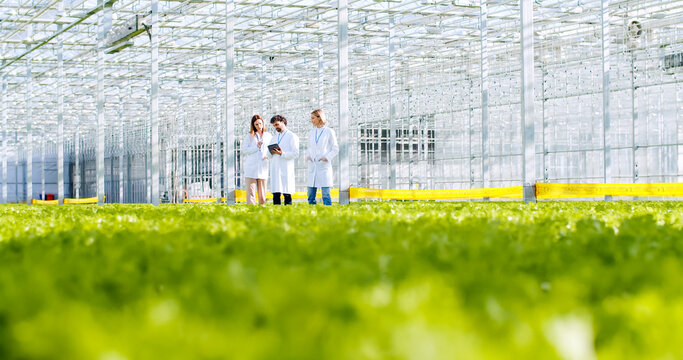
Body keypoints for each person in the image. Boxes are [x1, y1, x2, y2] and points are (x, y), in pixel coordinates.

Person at [306, 109, 339, 205]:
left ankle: (327, 214)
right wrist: (309, 156)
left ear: (319, 117)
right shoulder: (312, 132)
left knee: (326, 194)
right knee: (310, 195)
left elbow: (335, 148)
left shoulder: (329, 131)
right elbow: (310, 147)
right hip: (313, 165)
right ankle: (312, 215)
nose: (311, 120)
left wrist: (327, 157)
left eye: (313, 118)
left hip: (323, 166)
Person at [267, 115, 299, 205]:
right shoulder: (274, 137)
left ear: (283, 122)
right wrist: (271, 152)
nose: (276, 127)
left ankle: (288, 214)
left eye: (277, 124)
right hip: (275, 167)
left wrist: (282, 153)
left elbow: (296, 153)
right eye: (274, 126)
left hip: (286, 167)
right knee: (276, 193)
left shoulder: (292, 136)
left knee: (287, 192)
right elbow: (268, 153)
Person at [242, 115, 271, 205]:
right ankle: (251, 212)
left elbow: (271, 148)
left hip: (263, 166)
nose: (259, 126)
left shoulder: (268, 135)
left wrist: (268, 156)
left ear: (263, 123)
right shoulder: (249, 136)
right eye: (256, 124)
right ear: (253, 125)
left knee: (262, 193)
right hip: (251, 167)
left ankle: (262, 212)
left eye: (260, 123)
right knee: (251, 192)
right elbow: (245, 150)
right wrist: (256, 146)